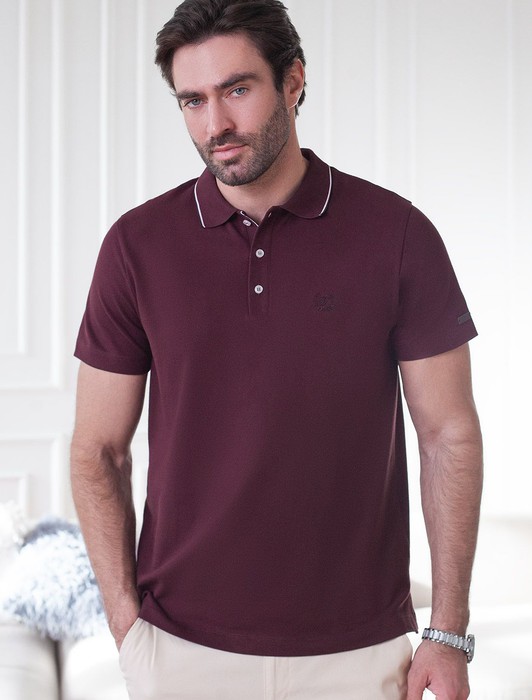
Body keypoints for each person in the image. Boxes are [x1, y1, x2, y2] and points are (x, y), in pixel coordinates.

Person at [70, 1, 483, 698]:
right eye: (192, 100)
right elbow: (97, 450)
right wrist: (125, 623)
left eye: (237, 89)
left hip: (359, 652)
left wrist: (447, 632)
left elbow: (448, 435)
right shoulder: (136, 247)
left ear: (294, 80)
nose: (215, 125)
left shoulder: (397, 235)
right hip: (180, 651)